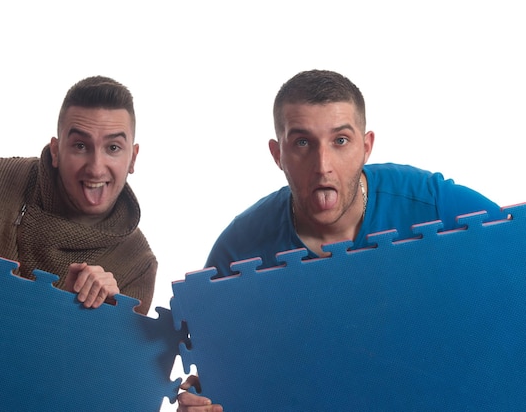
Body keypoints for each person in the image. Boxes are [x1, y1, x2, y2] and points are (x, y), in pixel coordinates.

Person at [176, 69, 505, 410]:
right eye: (302, 143)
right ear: (278, 155)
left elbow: (513, 255)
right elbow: (217, 370)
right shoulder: (236, 252)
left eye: (341, 141)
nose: (323, 165)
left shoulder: (431, 202)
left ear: (366, 147)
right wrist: (204, 399)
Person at [0, 76, 157, 315]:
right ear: (56, 151)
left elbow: (102, 361)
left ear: (132, 158)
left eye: (113, 148)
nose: (96, 167)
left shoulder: (138, 264)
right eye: (80, 146)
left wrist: (93, 318)